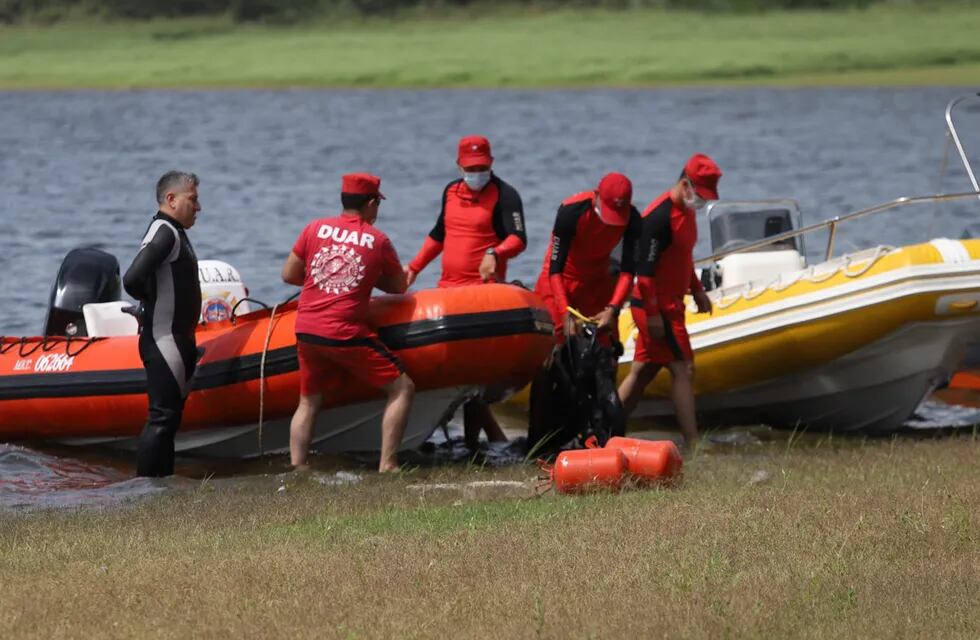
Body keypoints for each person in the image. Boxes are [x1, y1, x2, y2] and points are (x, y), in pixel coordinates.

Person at [281, 173, 414, 473]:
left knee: (308, 401)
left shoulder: (314, 228)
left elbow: (289, 274)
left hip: (306, 329)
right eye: (377, 204)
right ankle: (388, 464)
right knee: (402, 388)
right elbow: (398, 287)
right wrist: (367, 278)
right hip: (343, 332)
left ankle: (297, 466)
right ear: (370, 204)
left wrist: (325, 280)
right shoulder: (378, 241)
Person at [405, 135, 527, 450]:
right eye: (471, 168)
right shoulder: (450, 191)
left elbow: (518, 239)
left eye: (483, 167)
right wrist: (414, 268)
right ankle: (477, 439)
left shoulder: (505, 195)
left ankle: (474, 446)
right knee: (454, 378)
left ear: (492, 164)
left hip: (483, 297)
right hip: (449, 293)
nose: (477, 173)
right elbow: (438, 234)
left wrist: (495, 253)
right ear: (459, 165)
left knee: (476, 379)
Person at [527, 173, 641, 449]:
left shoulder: (633, 219)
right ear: (596, 196)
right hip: (560, 280)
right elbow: (555, 269)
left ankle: (599, 433)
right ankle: (536, 437)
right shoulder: (571, 212)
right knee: (551, 357)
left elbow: (628, 271)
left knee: (605, 352)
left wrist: (613, 309)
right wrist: (566, 310)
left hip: (597, 282)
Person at [617, 153, 723, 446]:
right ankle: (693, 442)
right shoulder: (658, 218)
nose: (702, 202)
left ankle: (605, 429)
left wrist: (697, 289)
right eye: (700, 195)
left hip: (673, 304)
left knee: (643, 371)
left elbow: (683, 257)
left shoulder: (687, 213)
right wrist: (652, 316)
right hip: (656, 307)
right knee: (683, 368)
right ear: (685, 184)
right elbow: (646, 275)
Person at [123, 170, 202, 477]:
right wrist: (149, 304)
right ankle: (146, 491)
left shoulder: (173, 231)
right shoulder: (164, 231)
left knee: (169, 420)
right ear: (171, 199)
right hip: (163, 339)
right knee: (162, 418)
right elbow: (132, 278)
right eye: (192, 199)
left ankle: (162, 487)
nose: (199, 207)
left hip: (176, 340)